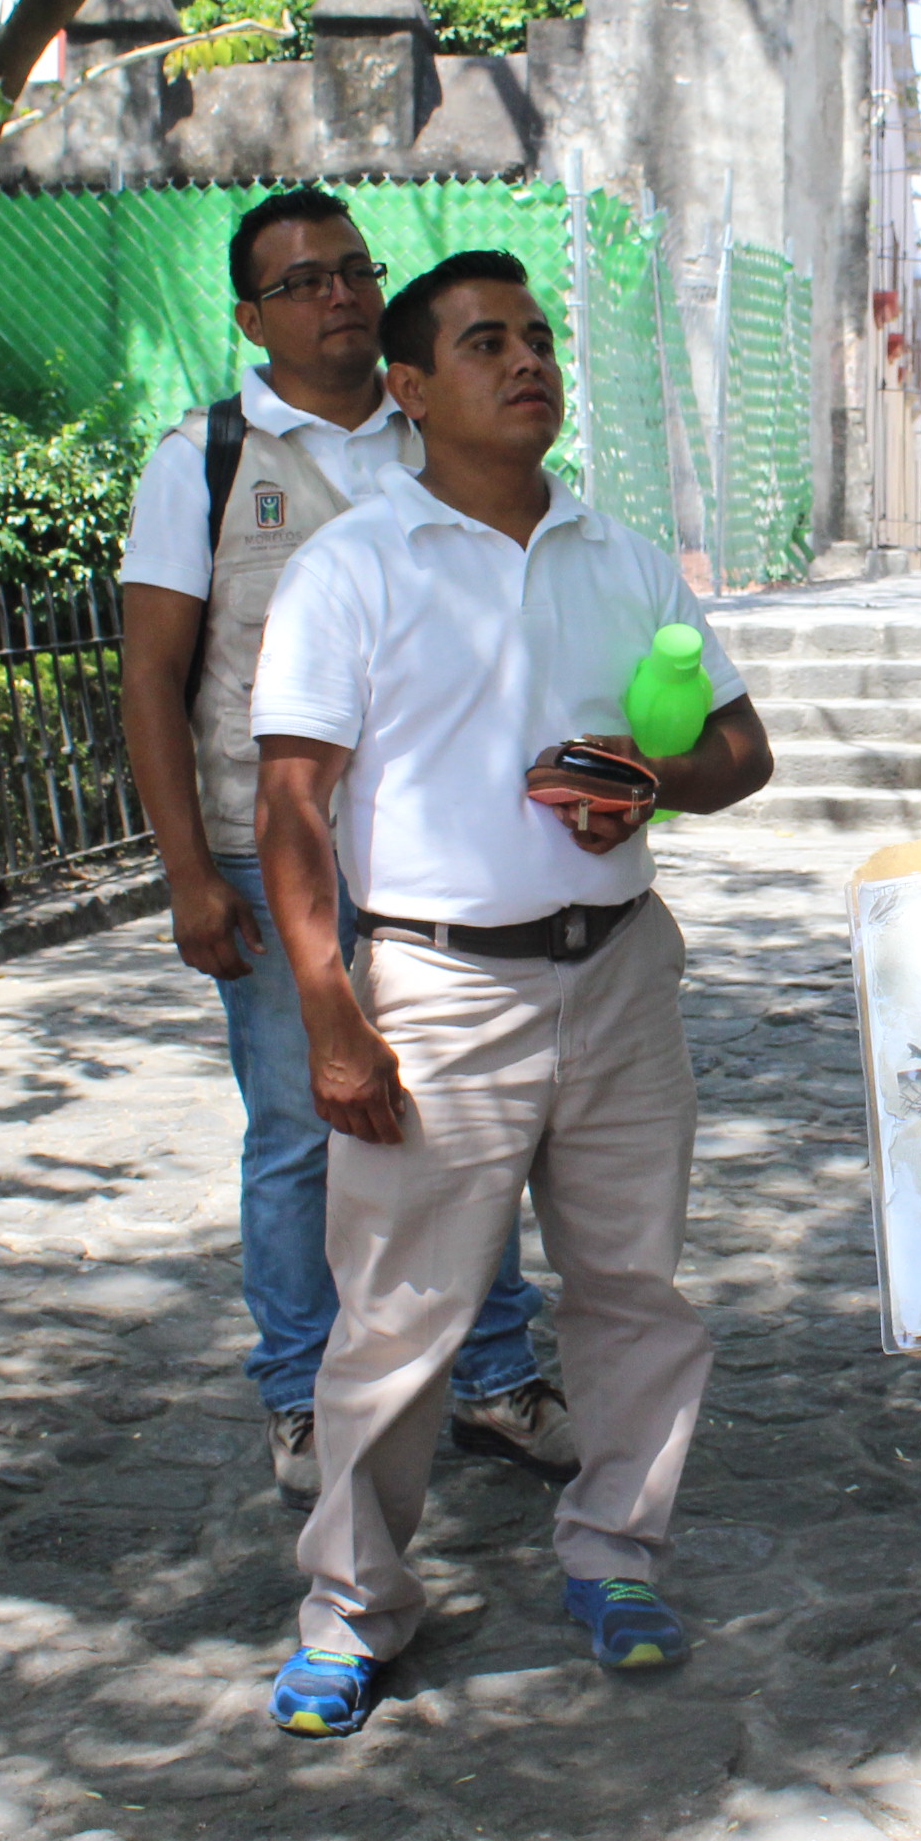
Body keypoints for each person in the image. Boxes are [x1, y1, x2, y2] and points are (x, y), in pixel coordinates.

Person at [243, 249, 773, 1733]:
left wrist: (646, 787)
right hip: (434, 989)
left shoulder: (620, 554)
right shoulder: (352, 565)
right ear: (409, 390)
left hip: (617, 975)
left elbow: (744, 753)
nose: (527, 360)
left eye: (538, 337)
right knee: (399, 1321)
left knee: (633, 1296)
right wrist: (329, 1006)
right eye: (486, 343)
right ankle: (352, 1606)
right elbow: (293, 800)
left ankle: (618, 1552)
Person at [116, 186, 575, 1510]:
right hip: (273, 855)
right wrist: (188, 871)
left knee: (469, 1118)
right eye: (304, 280)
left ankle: (490, 1372)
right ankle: (303, 1392)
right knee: (301, 1131)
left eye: (354, 271)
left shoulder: (437, 437)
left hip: (446, 854)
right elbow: (153, 680)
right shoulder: (202, 464)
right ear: (253, 316)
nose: (339, 297)